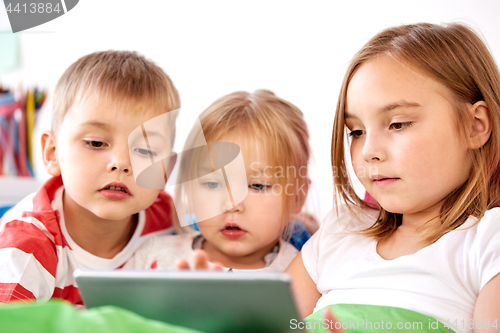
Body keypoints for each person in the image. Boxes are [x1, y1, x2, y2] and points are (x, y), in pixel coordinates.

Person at [286, 22, 500, 332]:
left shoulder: (487, 242)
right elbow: (262, 321)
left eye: (398, 124)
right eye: (356, 131)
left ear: (475, 126)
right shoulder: (342, 229)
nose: (368, 151)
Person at [0, 51, 180, 305]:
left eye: (145, 150)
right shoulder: (26, 247)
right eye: (96, 143)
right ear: (53, 153)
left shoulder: (169, 221)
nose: (121, 163)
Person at [125, 90, 314, 272]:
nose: (231, 204)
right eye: (212, 184)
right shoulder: (155, 255)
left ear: (297, 196)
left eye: (257, 185)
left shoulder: (304, 271)